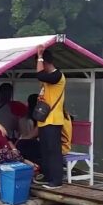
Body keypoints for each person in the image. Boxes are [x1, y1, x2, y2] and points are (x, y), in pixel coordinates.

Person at [34, 46, 66, 189]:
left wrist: (40, 55)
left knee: (54, 151)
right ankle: (47, 177)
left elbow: (40, 75)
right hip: (44, 120)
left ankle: (56, 180)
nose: (39, 66)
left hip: (53, 120)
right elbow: (40, 75)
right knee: (45, 151)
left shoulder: (57, 76)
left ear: (45, 63)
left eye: (40, 63)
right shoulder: (47, 80)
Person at [16, 93, 42, 164]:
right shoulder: (36, 119)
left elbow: (19, 133)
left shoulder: (22, 118)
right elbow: (34, 134)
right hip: (30, 145)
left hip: (21, 144)